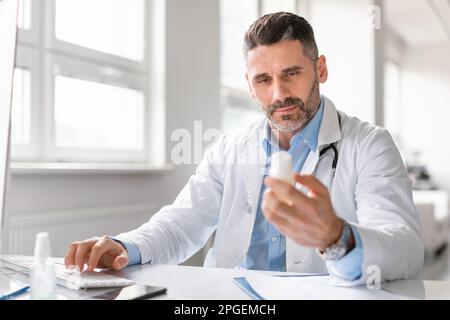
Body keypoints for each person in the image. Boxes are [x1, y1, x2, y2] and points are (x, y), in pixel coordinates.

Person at [65, 12, 423, 283]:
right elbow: (183, 223)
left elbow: (404, 247)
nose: (279, 93)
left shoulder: (370, 145)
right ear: (250, 87)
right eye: (264, 80)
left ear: (321, 69)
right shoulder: (230, 148)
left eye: (292, 73)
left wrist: (337, 237)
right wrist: (125, 246)